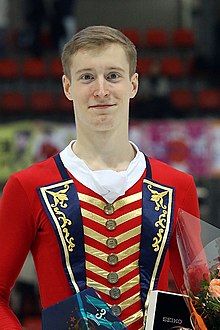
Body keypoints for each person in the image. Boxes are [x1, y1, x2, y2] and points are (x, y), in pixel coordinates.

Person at [0, 25, 200, 329]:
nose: (101, 90)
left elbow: (199, 296)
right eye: (87, 77)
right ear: (67, 87)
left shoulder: (177, 187)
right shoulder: (27, 187)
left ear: (133, 84)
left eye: (113, 75)